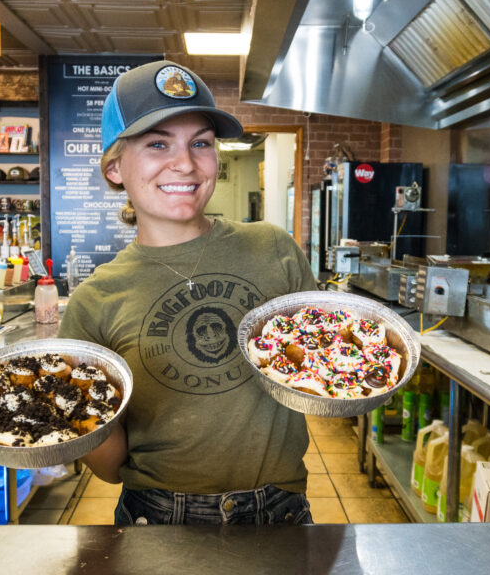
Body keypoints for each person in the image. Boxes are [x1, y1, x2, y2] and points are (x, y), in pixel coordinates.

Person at [57, 60, 318, 526]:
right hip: (158, 516)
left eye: (201, 143)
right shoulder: (94, 300)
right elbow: (109, 464)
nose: (186, 163)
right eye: (158, 144)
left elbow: (321, 365)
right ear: (114, 167)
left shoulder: (273, 247)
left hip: (283, 508)